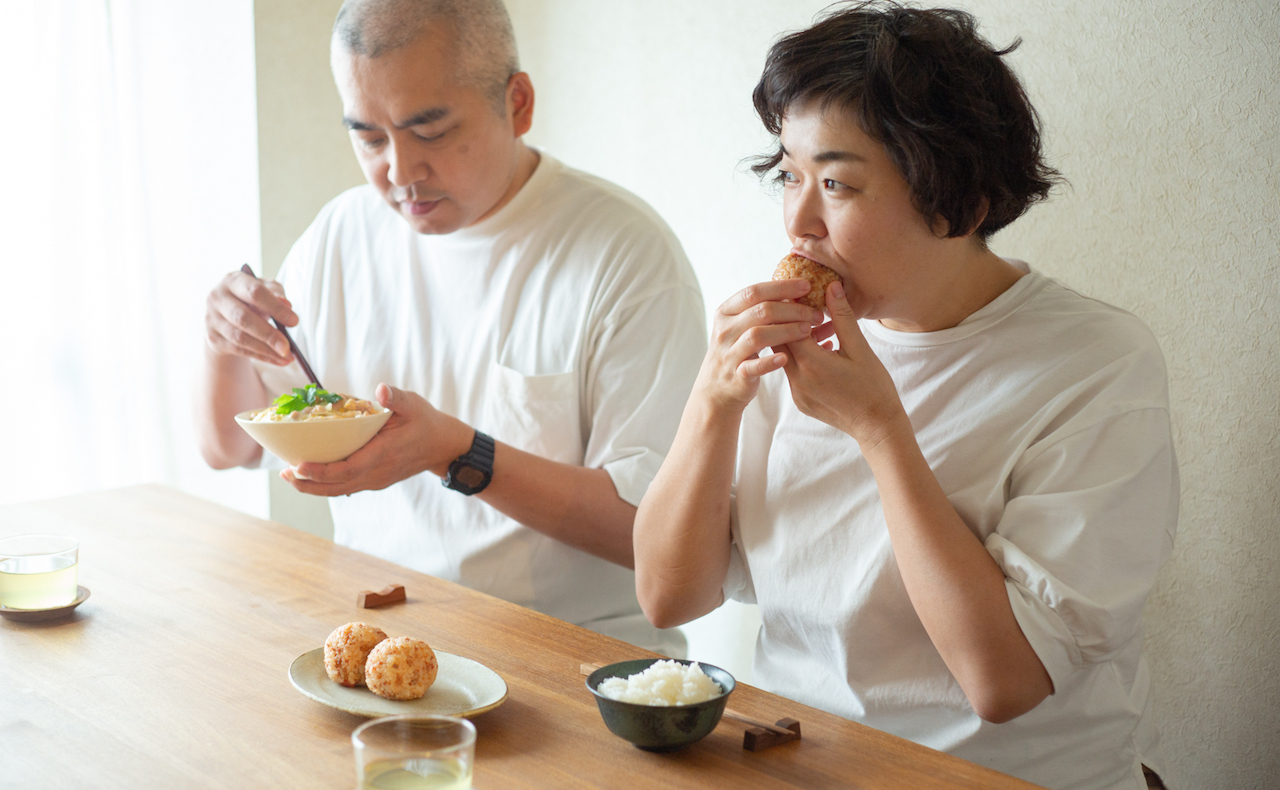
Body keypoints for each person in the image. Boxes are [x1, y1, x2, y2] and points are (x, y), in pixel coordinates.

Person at [633, 3, 1178, 789]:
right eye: (788, 174)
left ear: (961, 203)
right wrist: (713, 403)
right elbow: (667, 597)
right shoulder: (788, 338)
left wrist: (881, 431)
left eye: (837, 184)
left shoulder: (1095, 364)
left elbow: (1005, 685)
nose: (799, 222)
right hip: (798, 761)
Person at [198, 0, 705, 655]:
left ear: (517, 103)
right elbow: (228, 449)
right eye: (369, 137)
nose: (400, 173)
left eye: (429, 132)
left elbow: (656, 537)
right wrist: (221, 346)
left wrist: (459, 453)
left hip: (575, 657)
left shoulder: (623, 253)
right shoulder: (341, 235)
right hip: (376, 643)